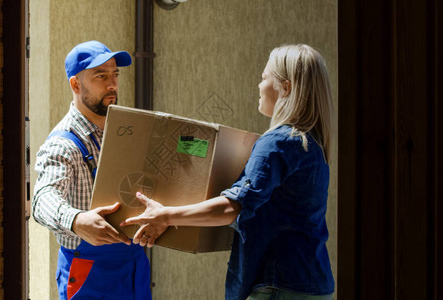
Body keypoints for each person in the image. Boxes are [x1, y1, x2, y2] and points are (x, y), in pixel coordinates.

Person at [121, 44, 335, 300]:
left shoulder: (277, 142)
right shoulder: (311, 144)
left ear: (285, 88)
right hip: (313, 284)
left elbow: (232, 207)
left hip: (278, 286)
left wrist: (165, 215)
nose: (259, 85)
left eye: (264, 78)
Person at [32, 40, 151, 300]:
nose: (112, 84)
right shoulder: (63, 143)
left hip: (133, 264)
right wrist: (76, 220)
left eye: (115, 74)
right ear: (75, 84)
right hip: (88, 272)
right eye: (100, 76)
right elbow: (42, 200)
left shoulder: (124, 131)